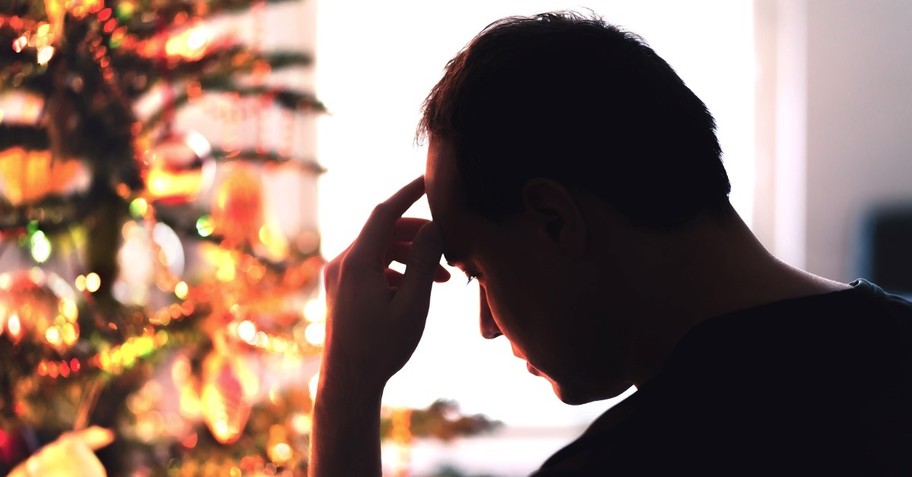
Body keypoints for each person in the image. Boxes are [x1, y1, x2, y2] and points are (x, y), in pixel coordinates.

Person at [309, 11, 912, 476]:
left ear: (554, 220)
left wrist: (348, 384)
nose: (488, 326)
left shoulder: (632, 462)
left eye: (479, 275)